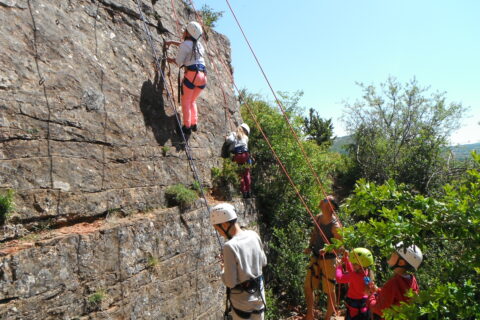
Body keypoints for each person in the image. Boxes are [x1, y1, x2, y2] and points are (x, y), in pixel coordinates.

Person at [210, 203, 267, 320]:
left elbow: (230, 282)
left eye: (217, 229)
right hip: (259, 296)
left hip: (242, 302)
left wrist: (223, 269)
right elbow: (263, 262)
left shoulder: (229, 246)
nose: (219, 233)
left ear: (225, 225)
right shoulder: (253, 235)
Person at [304, 196, 342, 320]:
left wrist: (328, 249)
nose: (322, 200)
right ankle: (309, 315)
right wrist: (310, 246)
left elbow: (340, 246)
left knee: (330, 291)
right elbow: (315, 234)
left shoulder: (335, 225)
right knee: (308, 286)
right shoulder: (319, 218)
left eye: (326, 200)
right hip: (316, 256)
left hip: (329, 260)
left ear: (331, 207)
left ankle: (327, 318)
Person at [165, 21, 206, 135]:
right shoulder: (199, 45)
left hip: (192, 75)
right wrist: (173, 42)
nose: (183, 32)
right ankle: (194, 123)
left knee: (186, 101)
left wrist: (170, 59)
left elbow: (179, 62)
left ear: (188, 33)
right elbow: (188, 46)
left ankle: (187, 127)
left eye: (185, 31)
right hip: (203, 77)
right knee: (193, 100)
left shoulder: (186, 45)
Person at [368, 242, 423, 320]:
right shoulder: (412, 279)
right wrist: (378, 291)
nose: (390, 255)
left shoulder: (392, 283)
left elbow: (379, 309)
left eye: (393, 254)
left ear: (401, 262)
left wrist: (371, 295)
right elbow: (396, 297)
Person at [336, 248, 375, 320]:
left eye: (354, 263)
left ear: (360, 265)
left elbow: (339, 278)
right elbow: (352, 270)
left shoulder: (354, 276)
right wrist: (346, 259)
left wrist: (339, 266)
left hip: (353, 305)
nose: (352, 264)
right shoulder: (367, 273)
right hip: (363, 304)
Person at [226, 123, 252, 198]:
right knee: (246, 173)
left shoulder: (234, 134)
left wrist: (227, 138)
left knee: (240, 175)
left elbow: (229, 140)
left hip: (237, 156)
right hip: (245, 155)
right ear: (246, 131)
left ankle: (243, 192)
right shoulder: (246, 137)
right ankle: (248, 191)